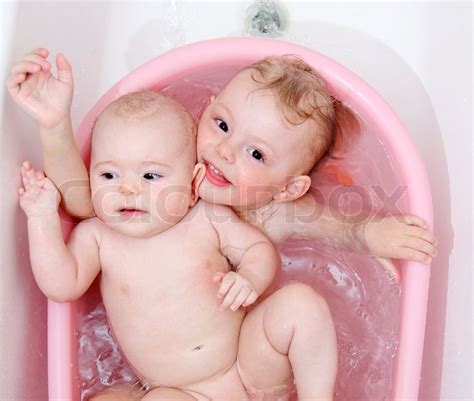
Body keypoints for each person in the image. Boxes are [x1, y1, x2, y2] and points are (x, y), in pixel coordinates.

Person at [8, 48, 436, 400]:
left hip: (251, 368)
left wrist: (367, 233)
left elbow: (307, 231)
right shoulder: (165, 175)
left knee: (301, 304)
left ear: (287, 187)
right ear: (205, 114)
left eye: (256, 154)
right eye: (222, 126)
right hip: (176, 391)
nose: (226, 151)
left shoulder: (243, 210)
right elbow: (83, 200)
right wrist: (54, 128)